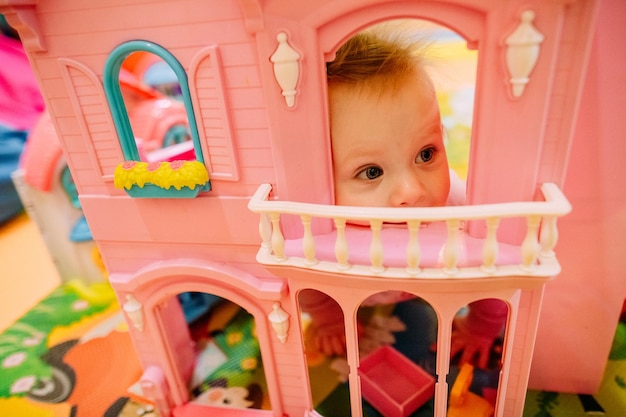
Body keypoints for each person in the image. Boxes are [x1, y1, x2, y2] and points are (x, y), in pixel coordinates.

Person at [299, 26, 507, 369]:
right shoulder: (311, 226)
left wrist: (483, 327)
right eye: (371, 172)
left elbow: (497, 270)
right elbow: (307, 283)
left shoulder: (463, 210)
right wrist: (328, 319)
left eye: (426, 154)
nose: (412, 191)